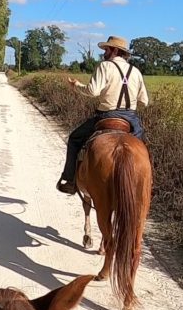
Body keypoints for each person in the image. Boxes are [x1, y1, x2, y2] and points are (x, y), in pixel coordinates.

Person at [55, 35, 149, 195]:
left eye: (106, 49)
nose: (104, 52)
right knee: (144, 150)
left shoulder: (105, 66)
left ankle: (69, 179)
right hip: (131, 118)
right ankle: (148, 186)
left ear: (114, 50)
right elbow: (144, 101)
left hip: (107, 116)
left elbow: (93, 91)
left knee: (74, 139)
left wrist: (76, 85)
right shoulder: (136, 71)